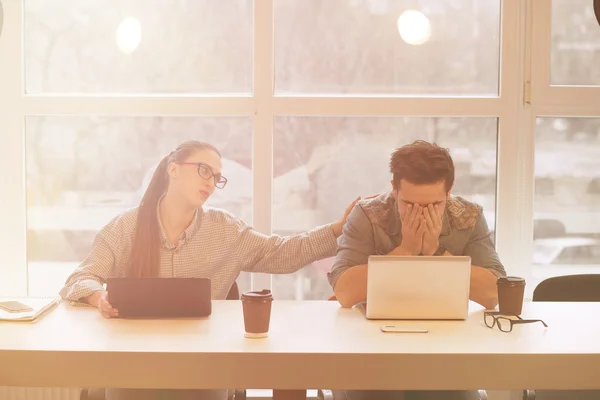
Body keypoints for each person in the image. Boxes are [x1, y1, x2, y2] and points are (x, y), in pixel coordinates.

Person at [59, 140, 360, 400]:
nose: (211, 181)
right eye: (204, 170)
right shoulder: (126, 227)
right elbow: (79, 279)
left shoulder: (225, 229)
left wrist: (337, 229)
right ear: (173, 169)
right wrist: (99, 299)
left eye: (217, 177)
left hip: (202, 370)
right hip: (136, 367)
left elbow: (283, 253)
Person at [328, 140, 506, 400]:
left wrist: (436, 251)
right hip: (373, 344)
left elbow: (493, 292)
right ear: (394, 189)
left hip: (447, 344)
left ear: (449, 191)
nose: (422, 215)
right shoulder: (368, 214)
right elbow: (344, 292)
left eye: (434, 205)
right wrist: (405, 251)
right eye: (410, 205)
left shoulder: (468, 215)